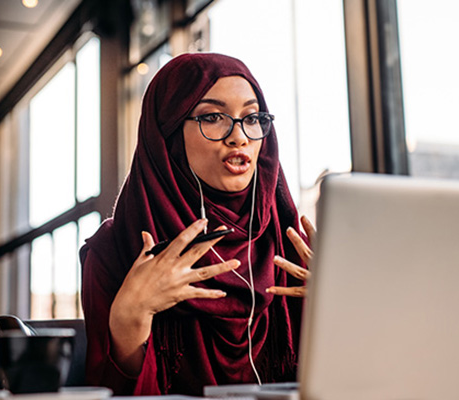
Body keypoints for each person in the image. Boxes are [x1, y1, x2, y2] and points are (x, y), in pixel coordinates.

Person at [80, 52, 315, 396]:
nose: (240, 137)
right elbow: (107, 390)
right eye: (214, 117)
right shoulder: (116, 249)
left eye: (252, 117)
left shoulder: (288, 241)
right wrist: (130, 317)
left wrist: (340, 311)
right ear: (168, 135)